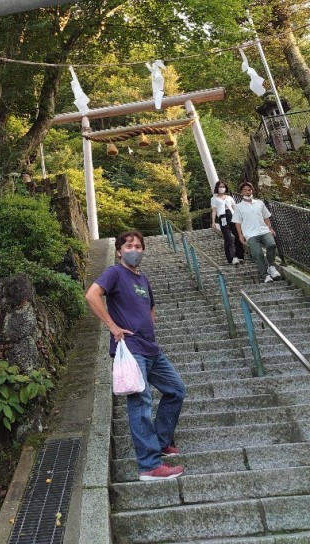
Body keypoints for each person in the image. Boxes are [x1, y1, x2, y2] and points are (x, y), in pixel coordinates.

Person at [85, 230, 186, 482]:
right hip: (131, 350)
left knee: (176, 389)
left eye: (139, 246)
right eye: (129, 246)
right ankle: (149, 465)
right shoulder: (114, 273)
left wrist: (148, 327)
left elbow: (151, 306)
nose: (134, 250)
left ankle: (160, 442)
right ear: (119, 250)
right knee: (140, 403)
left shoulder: (143, 279)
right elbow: (92, 294)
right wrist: (112, 325)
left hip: (151, 348)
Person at [231, 182, 279, 284]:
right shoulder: (238, 207)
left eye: (249, 190)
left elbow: (266, 217)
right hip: (250, 234)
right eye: (245, 190)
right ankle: (264, 275)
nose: (247, 192)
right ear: (241, 192)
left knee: (271, 245)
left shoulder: (260, 203)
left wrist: (270, 228)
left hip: (264, 230)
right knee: (258, 253)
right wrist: (240, 235)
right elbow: (237, 223)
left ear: (252, 191)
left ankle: (271, 266)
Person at [210, 179, 245, 266]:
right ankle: (232, 257)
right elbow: (214, 210)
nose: (222, 188)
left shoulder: (229, 198)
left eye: (223, 187)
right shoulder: (214, 199)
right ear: (217, 188)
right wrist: (213, 221)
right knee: (228, 238)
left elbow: (235, 207)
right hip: (222, 217)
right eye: (220, 187)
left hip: (233, 216)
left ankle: (239, 255)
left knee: (238, 235)